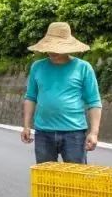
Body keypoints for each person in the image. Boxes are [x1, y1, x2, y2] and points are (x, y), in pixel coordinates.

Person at [21, 22, 102, 163]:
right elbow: (31, 97)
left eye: (56, 49)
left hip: (74, 133)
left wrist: (94, 133)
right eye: (50, 48)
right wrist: (26, 126)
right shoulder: (37, 67)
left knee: (75, 179)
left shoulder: (83, 68)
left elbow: (94, 102)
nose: (52, 52)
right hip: (43, 132)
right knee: (45, 179)